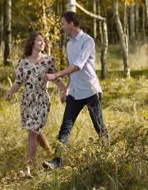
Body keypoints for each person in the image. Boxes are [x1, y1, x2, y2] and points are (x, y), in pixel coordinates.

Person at [42, 11, 109, 170]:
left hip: (92, 92)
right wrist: (68, 89)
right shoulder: (69, 44)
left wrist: (56, 75)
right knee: (65, 128)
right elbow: (73, 69)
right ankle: (56, 162)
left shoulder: (88, 41)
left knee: (99, 126)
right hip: (75, 93)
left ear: (71, 24)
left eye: (63, 23)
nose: (61, 26)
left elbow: (78, 65)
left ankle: (108, 156)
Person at [6, 32, 67, 177]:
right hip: (27, 100)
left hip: (41, 100)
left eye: (43, 41)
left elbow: (56, 79)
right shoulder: (23, 62)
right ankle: (51, 153)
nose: (42, 43)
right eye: (39, 41)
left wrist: (66, 91)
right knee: (36, 132)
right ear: (32, 43)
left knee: (32, 133)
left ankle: (28, 168)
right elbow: (18, 81)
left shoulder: (48, 60)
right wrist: (10, 92)